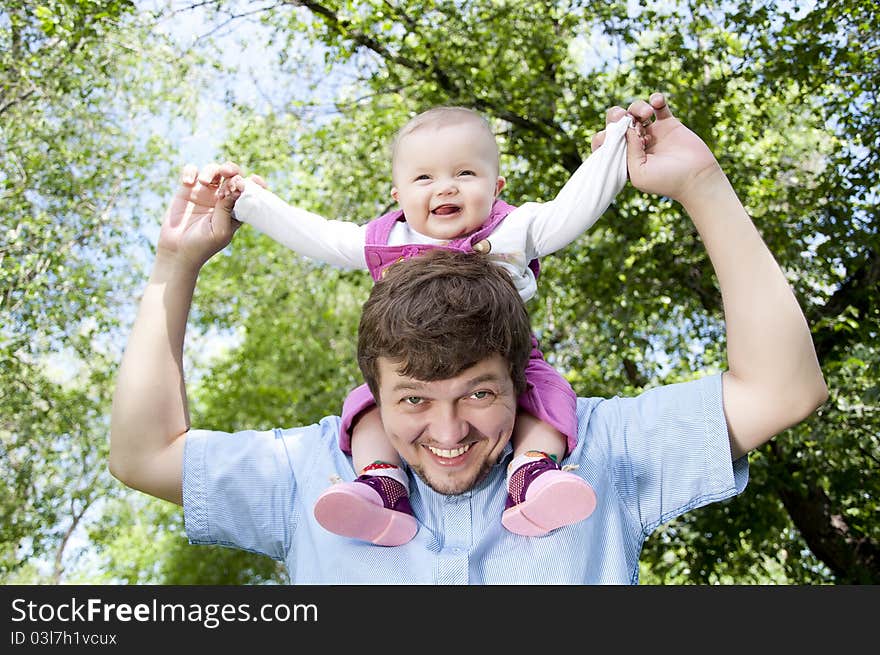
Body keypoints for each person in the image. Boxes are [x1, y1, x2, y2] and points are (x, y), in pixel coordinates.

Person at [109, 93, 827, 584]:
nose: (448, 431)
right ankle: (378, 488)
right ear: (375, 384)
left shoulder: (599, 453)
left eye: (480, 392)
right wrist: (175, 265)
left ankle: (530, 471)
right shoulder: (305, 475)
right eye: (413, 399)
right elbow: (143, 454)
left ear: (517, 379)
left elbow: (783, 389)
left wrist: (700, 182)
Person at [216, 105, 632, 546]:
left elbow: (573, 210)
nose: (445, 187)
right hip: (413, 367)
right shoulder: (389, 242)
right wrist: (252, 203)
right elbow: (319, 236)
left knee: (545, 396)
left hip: (505, 363)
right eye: (424, 178)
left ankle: (532, 473)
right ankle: (381, 485)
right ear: (397, 195)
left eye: (466, 173)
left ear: (497, 187)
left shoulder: (513, 229)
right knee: (368, 410)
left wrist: (614, 152)